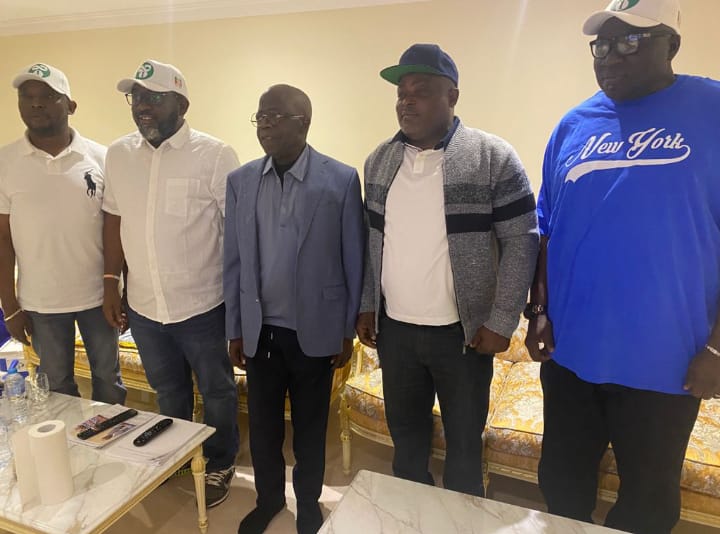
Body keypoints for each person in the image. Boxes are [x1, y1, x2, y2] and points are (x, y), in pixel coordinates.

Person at [525, 1, 720, 532]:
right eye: (602, 44)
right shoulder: (574, 125)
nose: (610, 56)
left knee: (647, 505)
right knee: (562, 487)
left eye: (630, 41)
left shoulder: (713, 110)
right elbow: (547, 230)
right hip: (571, 359)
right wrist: (538, 309)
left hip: (666, 369)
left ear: (671, 46)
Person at [356, 43, 539, 497]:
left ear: (452, 96)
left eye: (421, 90)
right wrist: (366, 307)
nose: (406, 100)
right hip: (396, 332)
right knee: (407, 442)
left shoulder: (492, 157)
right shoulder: (380, 160)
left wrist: (501, 322)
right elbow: (371, 242)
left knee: (463, 447)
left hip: (463, 338)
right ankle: (412, 515)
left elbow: (522, 241)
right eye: (401, 92)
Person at [224, 84, 363, 534]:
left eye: (275, 116)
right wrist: (235, 327)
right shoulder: (241, 181)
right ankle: (267, 501)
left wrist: (348, 330)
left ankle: (307, 502)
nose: (264, 124)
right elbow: (234, 260)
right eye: (260, 117)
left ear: (303, 121)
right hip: (260, 330)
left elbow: (353, 258)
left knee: (309, 427)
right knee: (263, 427)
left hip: (316, 330)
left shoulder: (339, 180)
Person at [102, 59, 240, 508]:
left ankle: (220, 461)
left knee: (217, 391)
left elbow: (235, 234)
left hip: (202, 307)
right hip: (143, 307)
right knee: (169, 391)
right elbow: (114, 220)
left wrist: (237, 308)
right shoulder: (118, 154)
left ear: (181, 102)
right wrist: (111, 284)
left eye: (152, 97)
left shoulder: (216, 154)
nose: (141, 106)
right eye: (135, 97)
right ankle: (179, 455)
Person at [0, 63, 125, 404]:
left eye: (48, 97)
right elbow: (2, 240)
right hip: (41, 303)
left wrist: (119, 286)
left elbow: (117, 228)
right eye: (27, 97)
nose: (35, 104)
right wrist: (9, 306)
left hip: (98, 297)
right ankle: (70, 454)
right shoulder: (5, 162)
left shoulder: (102, 157)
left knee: (109, 382)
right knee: (57, 387)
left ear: (70, 106)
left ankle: (114, 453)